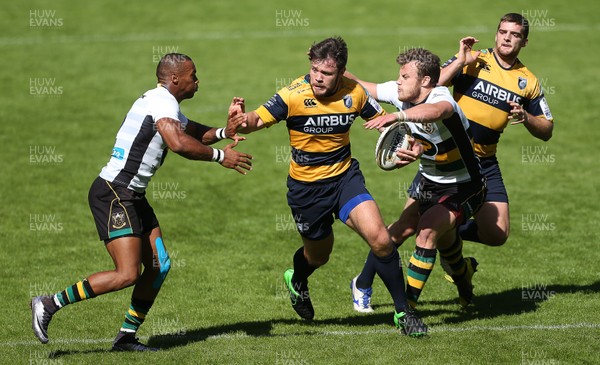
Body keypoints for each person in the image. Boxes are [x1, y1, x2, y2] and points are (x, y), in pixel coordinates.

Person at [30, 53, 253, 351]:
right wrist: (221, 156)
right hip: (114, 193)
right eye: (193, 75)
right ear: (175, 79)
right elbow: (177, 143)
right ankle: (49, 303)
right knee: (127, 273)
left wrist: (227, 131)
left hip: (132, 195)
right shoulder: (162, 102)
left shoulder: (163, 102)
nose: (197, 81)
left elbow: (195, 133)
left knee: (159, 266)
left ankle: (125, 338)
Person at [229, 37, 427, 337]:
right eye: (314, 70)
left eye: (326, 73)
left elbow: (388, 123)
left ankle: (403, 313)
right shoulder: (293, 94)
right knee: (319, 256)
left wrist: (413, 144)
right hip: (306, 190)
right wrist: (239, 121)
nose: (318, 78)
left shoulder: (355, 93)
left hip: (345, 179)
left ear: (342, 71)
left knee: (381, 240)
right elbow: (255, 121)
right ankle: (297, 278)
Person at [348, 47, 486, 311]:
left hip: (464, 184)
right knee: (406, 230)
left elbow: (435, 112)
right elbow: (359, 86)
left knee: (428, 232)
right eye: (398, 76)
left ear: (424, 81)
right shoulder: (401, 93)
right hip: (428, 178)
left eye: (404, 77)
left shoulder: (442, 97)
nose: (398, 82)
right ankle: (364, 283)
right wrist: (332, 65)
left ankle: (407, 308)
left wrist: (397, 116)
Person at [438, 12, 554, 247]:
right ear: (496, 34)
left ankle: (451, 232)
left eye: (515, 35)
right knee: (416, 222)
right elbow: (433, 84)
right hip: (452, 155)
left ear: (524, 42)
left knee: (497, 234)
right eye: (502, 32)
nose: (507, 38)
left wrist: (526, 117)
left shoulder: (528, 81)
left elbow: (547, 129)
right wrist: (460, 61)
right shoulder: (474, 59)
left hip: (485, 162)